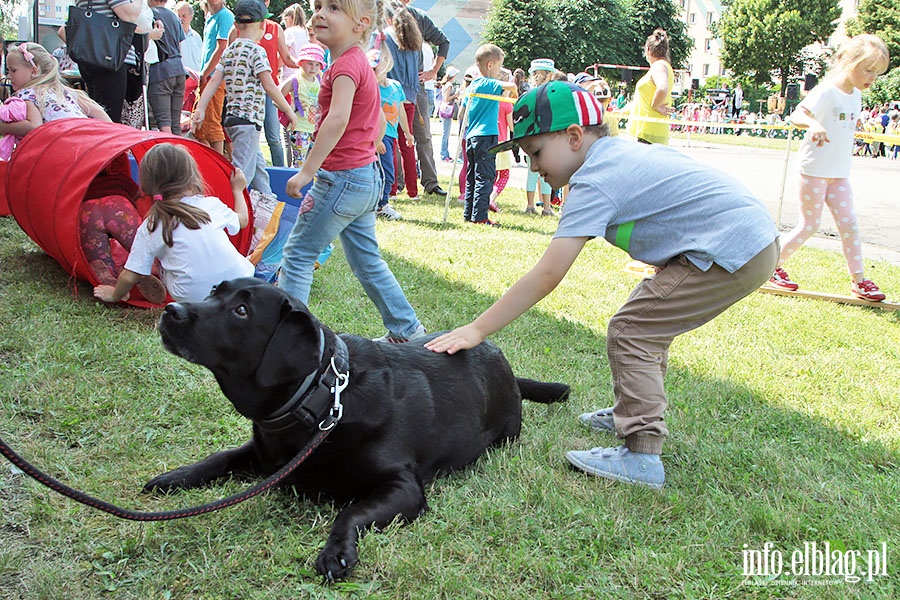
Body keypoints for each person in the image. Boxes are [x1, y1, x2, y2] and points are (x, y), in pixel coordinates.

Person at [425, 81, 779, 489]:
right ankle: (633, 405)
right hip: (745, 241)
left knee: (633, 330)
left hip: (733, 248)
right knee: (646, 320)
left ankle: (641, 454)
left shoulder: (594, 178)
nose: (534, 167)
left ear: (574, 137)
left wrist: (476, 329)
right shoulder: (614, 156)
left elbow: (548, 273)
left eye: (536, 153)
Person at [281, 0, 426, 344]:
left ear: (360, 24)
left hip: (341, 180)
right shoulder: (359, 63)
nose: (319, 14)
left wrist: (306, 172)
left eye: (333, 8)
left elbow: (337, 119)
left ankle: (291, 341)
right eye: (318, 6)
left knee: (298, 254)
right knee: (367, 262)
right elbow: (375, 120)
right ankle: (408, 332)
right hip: (364, 179)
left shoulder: (345, 67)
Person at [768, 34, 890, 302]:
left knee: (849, 224)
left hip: (839, 175)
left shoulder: (856, 95)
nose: (872, 77)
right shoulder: (826, 90)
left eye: (877, 73)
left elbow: (844, 120)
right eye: (867, 70)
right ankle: (770, 267)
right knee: (809, 225)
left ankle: (859, 281)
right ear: (848, 62)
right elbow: (797, 114)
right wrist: (814, 124)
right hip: (813, 171)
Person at [193, 0, 299, 252]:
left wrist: (199, 109)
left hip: (230, 120)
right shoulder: (257, 51)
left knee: (259, 172)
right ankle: (224, 231)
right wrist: (288, 110)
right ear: (263, 25)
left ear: (237, 25)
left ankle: (272, 220)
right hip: (248, 123)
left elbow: (211, 82)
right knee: (241, 178)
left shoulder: (230, 50)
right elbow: (270, 85)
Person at [94, 143, 254, 303]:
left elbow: (129, 276)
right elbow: (243, 220)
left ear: (147, 186)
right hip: (242, 284)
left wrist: (115, 295)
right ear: (194, 177)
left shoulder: (152, 224)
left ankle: (154, 271)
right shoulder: (210, 204)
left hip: (195, 297)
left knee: (156, 253)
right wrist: (237, 190)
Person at [0, 42, 111, 147]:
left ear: (34, 71)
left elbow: (34, 126)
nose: (9, 76)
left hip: (63, 146)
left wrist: (4, 127)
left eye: (13, 71)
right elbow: (98, 112)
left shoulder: (28, 94)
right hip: (88, 141)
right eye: (8, 71)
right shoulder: (64, 91)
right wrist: (111, 136)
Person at [397, 0, 450, 197]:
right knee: (391, 136)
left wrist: (433, 71)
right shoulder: (379, 14)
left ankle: (430, 182)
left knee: (423, 135)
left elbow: (444, 42)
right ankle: (396, 181)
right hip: (388, 85)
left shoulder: (418, 17)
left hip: (415, 86)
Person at [462, 44, 516, 227]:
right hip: (486, 135)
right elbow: (511, 85)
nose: (500, 71)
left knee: (473, 176)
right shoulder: (487, 83)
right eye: (500, 66)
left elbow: (462, 112)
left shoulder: (472, 86)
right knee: (485, 177)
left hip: (472, 136)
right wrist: (513, 91)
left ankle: (469, 213)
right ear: (490, 65)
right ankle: (480, 217)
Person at [68, 0, 142, 124]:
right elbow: (129, 16)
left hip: (91, 54)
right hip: (109, 57)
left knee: (99, 113)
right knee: (108, 118)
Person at [382, 2, 422, 201]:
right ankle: (413, 191)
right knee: (408, 143)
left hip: (391, 94)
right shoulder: (415, 42)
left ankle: (392, 188)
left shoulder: (386, 37)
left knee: (390, 141)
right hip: (411, 95)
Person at [370, 46, 413, 220]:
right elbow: (368, 114)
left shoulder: (396, 86)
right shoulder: (370, 88)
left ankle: (380, 203)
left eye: (375, 68)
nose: (373, 72)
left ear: (387, 65)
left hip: (392, 135)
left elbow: (401, 110)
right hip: (379, 136)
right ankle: (381, 205)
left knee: (389, 170)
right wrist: (376, 139)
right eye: (370, 69)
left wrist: (408, 133)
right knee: (385, 171)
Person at [194, 0, 234, 154]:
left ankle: (219, 164)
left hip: (214, 76)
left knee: (212, 125)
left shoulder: (225, 16)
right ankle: (208, 159)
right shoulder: (210, 15)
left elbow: (222, 48)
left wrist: (205, 72)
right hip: (206, 76)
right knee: (199, 125)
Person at [280, 43, 325, 168]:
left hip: (315, 129)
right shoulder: (295, 80)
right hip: (299, 128)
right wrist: (291, 109)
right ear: (301, 62)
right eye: (310, 63)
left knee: (315, 165)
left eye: (317, 64)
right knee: (299, 164)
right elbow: (277, 97)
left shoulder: (319, 79)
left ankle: (311, 187)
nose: (314, 68)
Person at [628, 28, 675, 145]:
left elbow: (663, 87)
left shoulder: (659, 66)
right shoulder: (664, 66)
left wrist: (655, 105)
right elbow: (644, 98)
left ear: (648, 50)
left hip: (649, 132)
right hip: (649, 131)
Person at [147, 0, 186, 135]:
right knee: (175, 123)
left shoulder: (149, 14)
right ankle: (180, 154)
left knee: (164, 123)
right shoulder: (175, 17)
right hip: (179, 69)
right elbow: (179, 46)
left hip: (160, 71)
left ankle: (168, 155)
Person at [175, 1, 203, 73]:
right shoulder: (174, 36)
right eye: (178, 16)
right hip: (181, 77)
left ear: (191, 17)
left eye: (184, 16)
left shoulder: (196, 37)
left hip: (196, 78)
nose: (181, 19)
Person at [438, 65, 459, 161]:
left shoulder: (445, 84)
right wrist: (455, 95)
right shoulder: (449, 85)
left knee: (445, 132)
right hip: (447, 109)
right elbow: (446, 99)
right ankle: (444, 154)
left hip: (444, 109)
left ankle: (445, 153)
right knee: (445, 133)